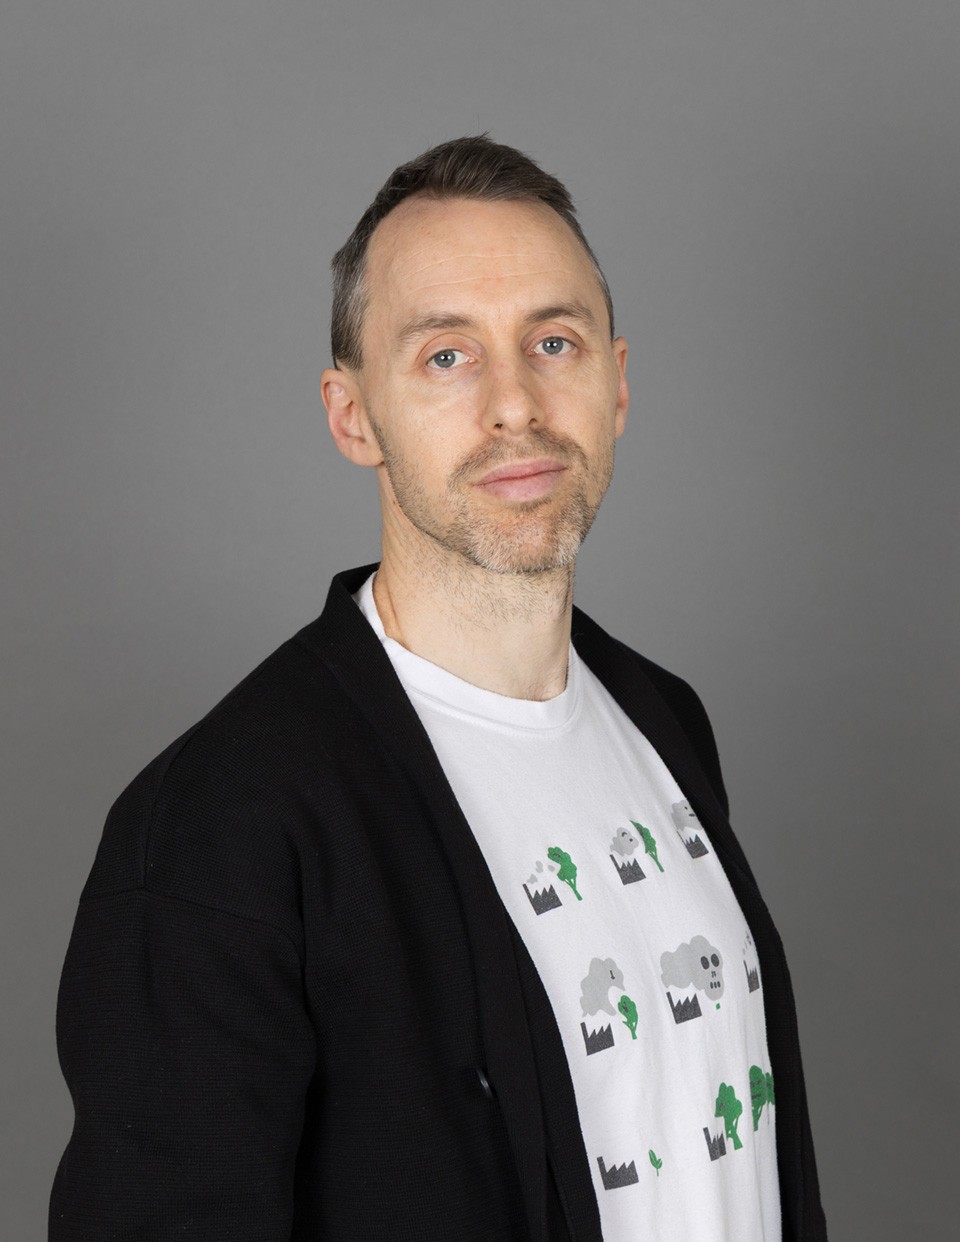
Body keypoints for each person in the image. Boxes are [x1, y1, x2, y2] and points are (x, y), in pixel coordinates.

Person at [50, 135, 827, 1241]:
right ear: (351, 415)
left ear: (617, 383)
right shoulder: (218, 828)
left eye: (552, 341)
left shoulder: (663, 719)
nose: (515, 404)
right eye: (446, 357)